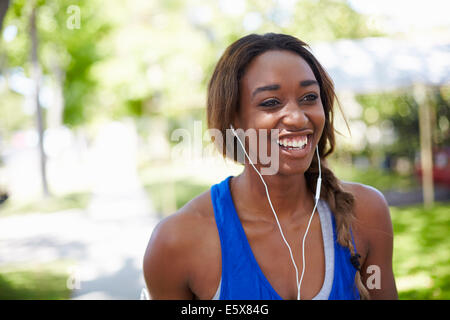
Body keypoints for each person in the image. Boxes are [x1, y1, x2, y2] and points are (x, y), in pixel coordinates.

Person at [143, 33, 398, 300]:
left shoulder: (367, 214)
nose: (298, 117)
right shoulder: (176, 242)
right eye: (271, 103)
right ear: (233, 120)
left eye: (309, 97)